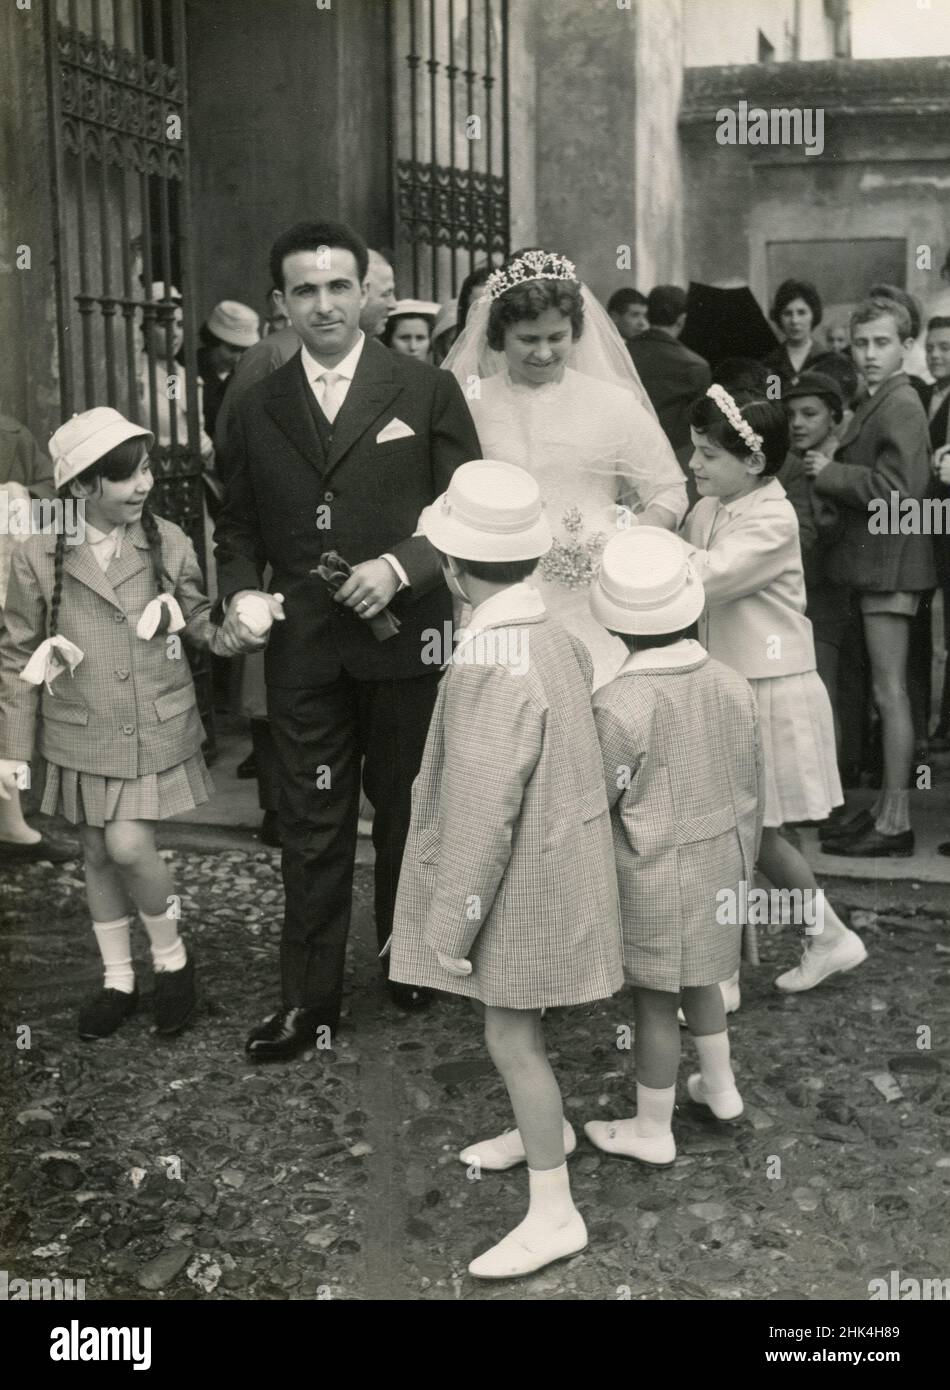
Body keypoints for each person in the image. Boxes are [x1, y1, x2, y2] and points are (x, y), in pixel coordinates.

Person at [213, 220, 481, 1060]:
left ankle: (410, 959)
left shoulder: (426, 389)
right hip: (306, 653)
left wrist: (401, 568)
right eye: (305, 290)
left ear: (367, 291)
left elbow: (467, 514)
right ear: (280, 304)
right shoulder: (257, 404)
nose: (324, 304)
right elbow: (237, 526)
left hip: (408, 647)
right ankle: (309, 1001)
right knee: (312, 823)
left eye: (339, 286)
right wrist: (242, 594)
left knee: (408, 812)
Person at [389, 460, 623, 1279]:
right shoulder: (552, 635)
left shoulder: (488, 659)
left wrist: (449, 924)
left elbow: (483, 811)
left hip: (522, 877)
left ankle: (555, 1210)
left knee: (509, 1033)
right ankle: (544, 1132)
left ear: (451, 569)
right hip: (560, 862)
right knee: (523, 1024)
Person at [0, 409, 232, 1038]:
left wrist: (239, 629)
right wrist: (13, 750)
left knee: (129, 844)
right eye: (125, 477)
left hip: (152, 722)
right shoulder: (37, 551)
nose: (144, 485)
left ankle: (173, 960)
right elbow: (19, 650)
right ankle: (118, 978)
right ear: (80, 488)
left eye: (147, 470)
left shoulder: (168, 539)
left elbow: (201, 621)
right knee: (97, 850)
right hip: (79, 725)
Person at [583, 528, 761, 1165]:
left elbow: (597, 796)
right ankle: (722, 1088)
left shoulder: (618, 704)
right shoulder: (732, 683)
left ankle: (651, 1129)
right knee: (705, 981)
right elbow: (747, 779)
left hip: (655, 874)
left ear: (613, 627)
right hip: (720, 864)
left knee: (654, 1004)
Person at [682, 386, 867, 993]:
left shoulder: (774, 517)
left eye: (707, 455)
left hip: (769, 688)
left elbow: (706, 578)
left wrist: (632, 549)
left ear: (754, 463)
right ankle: (823, 938)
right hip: (729, 683)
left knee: (748, 835)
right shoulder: (711, 506)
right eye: (694, 451)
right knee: (743, 835)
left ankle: (735, 973)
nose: (694, 465)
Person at [444, 249, 687, 686]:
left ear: (576, 331)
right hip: (498, 592)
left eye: (556, 337)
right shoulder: (471, 402)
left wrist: (629, 544)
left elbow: (668, 489)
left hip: (592, 596)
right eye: (528, 339)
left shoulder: (612, 403)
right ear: (500, 335)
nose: (543, 352)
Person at [807, 298, 936, 857]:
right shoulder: (882, 398)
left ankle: (896, 823)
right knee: (887, 694)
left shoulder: (901, 402)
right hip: (882, 565)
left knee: (890, 692)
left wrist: (832, 472)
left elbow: (902, 497)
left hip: (893, 565)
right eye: (861, 344)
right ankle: (885, 812)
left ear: (906, 346)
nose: (869, 354)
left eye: (882, 343)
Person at [214, 248, 396, 469]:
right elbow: (232, 443)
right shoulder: (271, 352)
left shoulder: (380, 354)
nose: (393, 304)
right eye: (386, 294)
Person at [782, 372, 850, 755]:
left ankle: (834, 799)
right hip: (804, 595)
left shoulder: (832, 463)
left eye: (810, 414)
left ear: (834, 416)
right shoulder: (795, 462)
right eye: (792, 415)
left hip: (826, 593)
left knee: (824, 692)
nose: (798, 424)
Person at [629, 284, 712, 474]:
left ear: (648, 315)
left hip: (626, 459)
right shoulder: (696, 366)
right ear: (682, 319)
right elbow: (701, 427)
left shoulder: (623, 354)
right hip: (674, 465)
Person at [137, 284, 213, 462]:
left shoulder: (179, 375)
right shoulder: (135, 376)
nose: (175, 334)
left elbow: (181, 415)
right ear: (145, 329)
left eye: (179, 325)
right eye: (164, 325)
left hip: (189, 471)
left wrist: (206, 446)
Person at [923, 317, 950, 749]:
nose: (937, 355)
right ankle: (942, 722)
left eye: (945, 347)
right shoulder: (926, 394)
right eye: (931, 347)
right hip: (931, 518)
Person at [764, 278, 852, 387]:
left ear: (813, 315)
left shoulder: (830, 361)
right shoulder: (771, 363)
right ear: (779, 318)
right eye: (787, 313)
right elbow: (772, 399)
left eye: (801, 313)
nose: (794, 320)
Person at [197, 301, 260, 438]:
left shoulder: (249, 375)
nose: (238, 358)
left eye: (244, 351)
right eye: (232, 349)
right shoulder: (185, 368)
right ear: (213, 341)